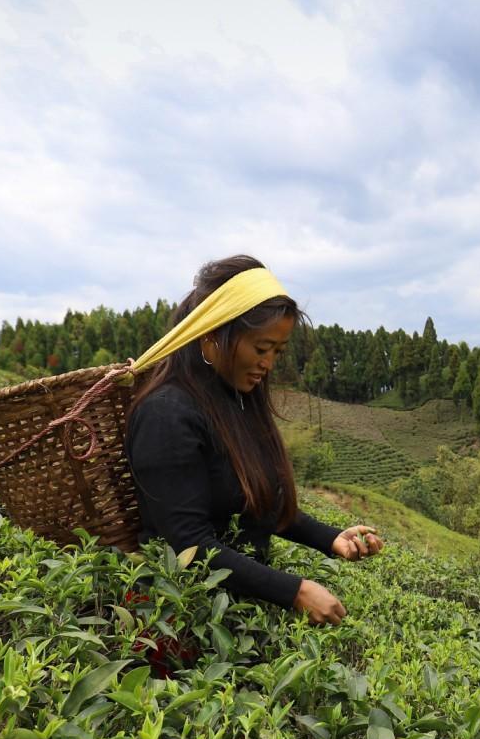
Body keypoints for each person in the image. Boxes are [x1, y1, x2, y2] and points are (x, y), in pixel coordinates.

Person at [126, 255, 383, 626]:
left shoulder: (234, 402)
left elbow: (256, 504)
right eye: (261, 349)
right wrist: (294, 590)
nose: (268, 364)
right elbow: (189, 544)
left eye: (277, 352)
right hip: (184, 616)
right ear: (213, 336)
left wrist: (331, 539)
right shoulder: (166, 414)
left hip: (237, 609)